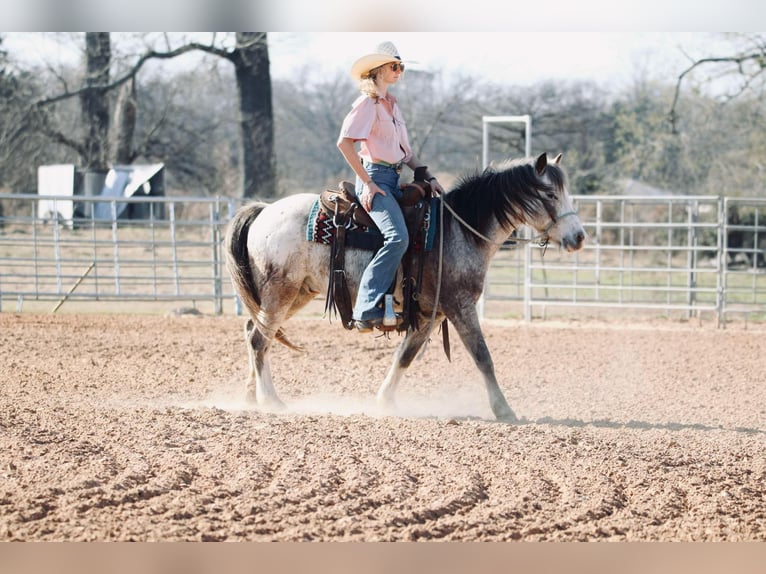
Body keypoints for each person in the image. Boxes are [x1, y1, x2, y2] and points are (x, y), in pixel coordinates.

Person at [337, 41, 445, 333]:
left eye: (401, 67)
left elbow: (406, 153)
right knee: (397, 238)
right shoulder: (367, 104)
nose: (399, 71)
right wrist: (368, 183)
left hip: (394, 178)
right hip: (375, 178)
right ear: (378, 71)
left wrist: (427, 175)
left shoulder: (392, 106)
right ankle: (364, 309)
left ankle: (403, 300)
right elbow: (345, 143)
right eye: (394, 66)